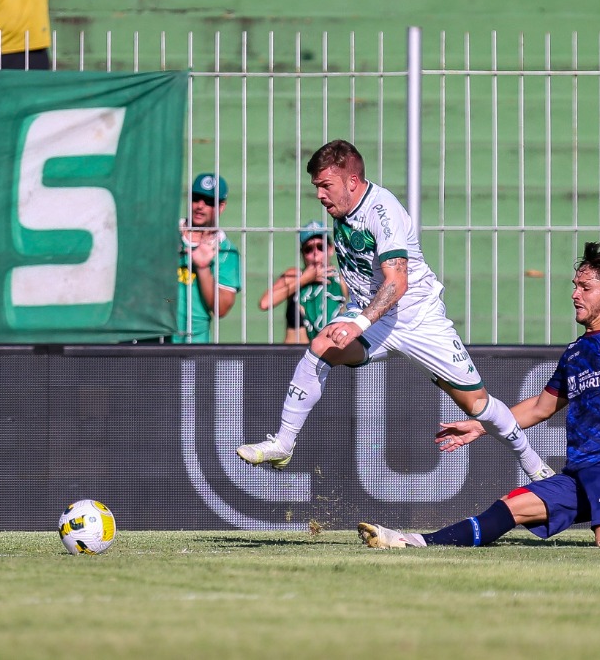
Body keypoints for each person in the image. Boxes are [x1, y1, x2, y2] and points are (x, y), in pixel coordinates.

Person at [358, 241, 600, 549]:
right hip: (581, 469)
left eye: (585, 287)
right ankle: (413, 541)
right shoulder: (576, 352)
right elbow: (541, 407)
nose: (575, 294)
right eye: (575, 286)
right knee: (511, 508)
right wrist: (480, 426)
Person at [237, 139, 553, 481]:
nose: (320, 195)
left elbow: (397, 282)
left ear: (352, 182)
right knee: (321, 346)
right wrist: (358, 315)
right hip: (372, 314)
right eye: (317, 187)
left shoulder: (383, 211)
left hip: (416, 317)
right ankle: (284, 443)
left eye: (326, 186)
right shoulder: (341, 207)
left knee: (476, 404)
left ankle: (532, 462)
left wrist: (358, 322)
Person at [174, 173, 240, 343]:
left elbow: (222, 308)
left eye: (209, 201)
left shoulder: (227, 251)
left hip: (193, 343)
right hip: (155, 339)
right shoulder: (167, 233)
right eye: (196, 198)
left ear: (221, 206)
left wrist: (203, 268)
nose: (200, 206)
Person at [258, 220, 349, 344]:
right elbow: (265, 303)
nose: (315, 254)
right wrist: (304, 280)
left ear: (331, 249)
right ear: (302, 254)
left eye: (320, 247)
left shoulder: (341, 281)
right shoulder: (295, 275)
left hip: (330, 348)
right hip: (299, 347)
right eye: (308, 249)